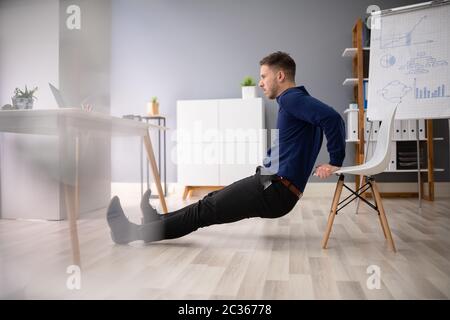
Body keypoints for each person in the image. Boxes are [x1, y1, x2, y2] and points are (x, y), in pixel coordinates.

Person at [106, 51, 346, 244]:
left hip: (277, 189)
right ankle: (156, 220)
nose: (261, 83)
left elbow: (333, 118)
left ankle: (131, 233)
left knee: (206, 210)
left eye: (264, 76)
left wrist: (335, 160)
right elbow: (323, 124)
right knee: (209, 201)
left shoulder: (293, 99)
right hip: (271, 182)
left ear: (280, 76)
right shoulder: (296, 101)